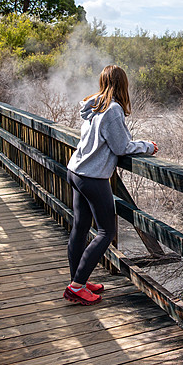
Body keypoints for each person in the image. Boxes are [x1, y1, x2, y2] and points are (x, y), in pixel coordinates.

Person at [64, 65, 157, 305]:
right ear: (123, 84)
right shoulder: (112, 109)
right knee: (107, 231)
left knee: (81, 227)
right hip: (93, 177)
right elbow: (121, 147)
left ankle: (79, 280)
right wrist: (148, 146)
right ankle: (76, 286)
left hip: (75, 171)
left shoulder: (94, 106)